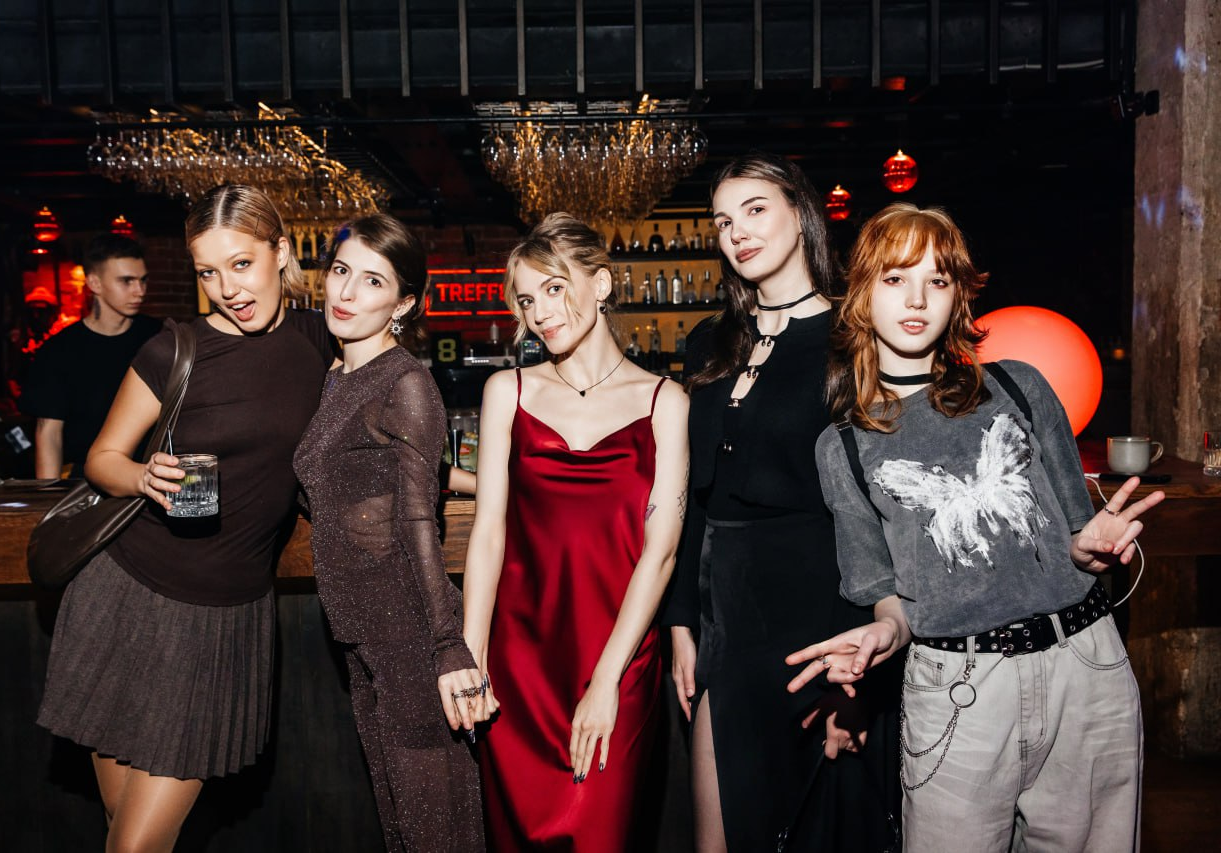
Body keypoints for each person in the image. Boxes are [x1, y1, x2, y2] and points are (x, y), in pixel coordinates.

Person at [784, 202, 1163, 852]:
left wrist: (1093, 546)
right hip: (959, 687)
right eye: (896, 277)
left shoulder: (1020, 387)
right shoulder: (842, 446)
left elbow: (1076, 537)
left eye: (937, 279)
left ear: (958, 294)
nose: (917, 298)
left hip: (1084, 667)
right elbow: (888, 597)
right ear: (863, 292)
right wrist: (883, 630)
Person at [36, 184, 335, 852]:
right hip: (125, 597)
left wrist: (478, 477)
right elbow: (102, 458)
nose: (227, 288)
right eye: (208, 272)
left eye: (242, 264)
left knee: (136, 843)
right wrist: (143, 476)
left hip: (225, 615)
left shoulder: (320, 340)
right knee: (129, 835)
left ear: (280, 252)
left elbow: (385, 422)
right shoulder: (174, 350)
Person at [662, 150, 898, 852]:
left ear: (801, 214)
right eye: (721, 221)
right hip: (727, 618)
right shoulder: (709, 341)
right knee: (719, 833)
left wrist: (857, 673)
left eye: (755, 210)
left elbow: (874, 511)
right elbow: (693, 495)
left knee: (818, 831)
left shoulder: (854, 339)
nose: (736, 231)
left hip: (821, 610)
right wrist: (681, 622)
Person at [462, 213, 689, 851]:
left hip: (618, 656)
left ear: (602, 284)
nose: (539, 313)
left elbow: (661, 552)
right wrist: (471, 656)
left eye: (554, 289)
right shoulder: (507, 391)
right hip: (519, 664)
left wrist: (607, 680)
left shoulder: (665, 401)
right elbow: (489, 533)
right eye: (526, 300)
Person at [294, 215, 485, 852]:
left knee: (436, 826)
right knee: (399, 824)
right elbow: (384, 474)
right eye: (341, 271)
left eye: (373, 281)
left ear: (403, 304)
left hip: (406, 629)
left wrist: (447, 645)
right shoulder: (338, 377)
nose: (347, 293)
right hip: (359, 628)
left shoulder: (404, 380)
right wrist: (484, 483)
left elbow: (417, 519)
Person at [21, 233, 161, 478]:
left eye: (143, 280)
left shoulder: (158, 337)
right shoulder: (59, 350)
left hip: (155, 475)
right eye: (126, 281)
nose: (139, 291)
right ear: (94, 283)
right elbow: (49, 433)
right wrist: (49, 496)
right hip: (86, 481)